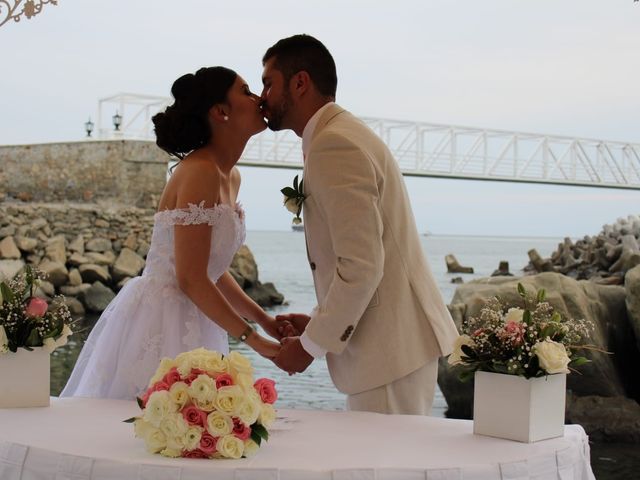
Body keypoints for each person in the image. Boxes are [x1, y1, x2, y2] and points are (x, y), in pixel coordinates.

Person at [261, 35, 459, 415]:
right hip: (393, 350)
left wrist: (310, 346)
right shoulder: (340, 134)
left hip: (388, 354)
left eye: (269, 82)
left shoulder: (335, 145)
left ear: (300, 83)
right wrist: (318, 321)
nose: (262, 96)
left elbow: (363, 264)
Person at [61, 67, 281, 400]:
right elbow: (191, 278)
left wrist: (266, 320)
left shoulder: (230, 176)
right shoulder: (200, 172)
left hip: (200, 316)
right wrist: (256, 342)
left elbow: (213, 270)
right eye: (247, 90)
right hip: (161, 319)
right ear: (221, 111)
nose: (258, 98)